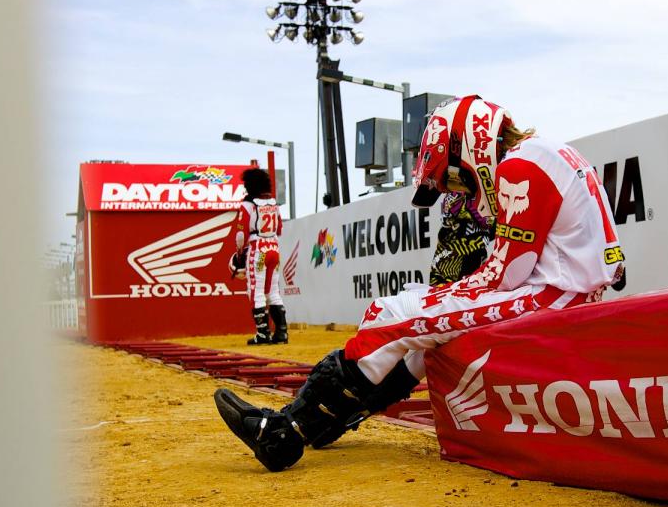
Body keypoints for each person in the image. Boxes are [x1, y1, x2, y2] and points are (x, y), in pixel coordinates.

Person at [215, 95, 626, 470]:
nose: (457, 189)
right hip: (566, 294)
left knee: (390, 315)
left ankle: (286, 431)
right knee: (421, 334)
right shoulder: (548, 153)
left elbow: (505, 273)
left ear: (466, 145)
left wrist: (434, 298)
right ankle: (321, 425)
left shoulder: (520, 166)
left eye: (452, 178)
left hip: (549, 297)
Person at [230, 167, 288, 345]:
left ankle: (263, 334)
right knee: (273, 292)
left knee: (256, 291)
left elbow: (241, 235)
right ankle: (282, 333)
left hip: (258, 249)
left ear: (250, 185)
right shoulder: (273, 203)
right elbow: (279, 229)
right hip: (274, 248)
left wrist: (240, 252)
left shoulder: (248, 205)